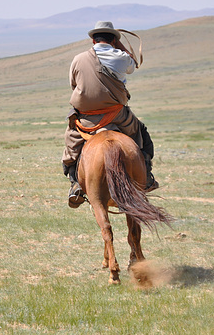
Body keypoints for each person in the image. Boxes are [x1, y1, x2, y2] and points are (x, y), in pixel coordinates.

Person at [61, 21, 158, 208]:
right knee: (141, 132)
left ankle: (75, 183)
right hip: (116, 115)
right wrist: (118, 45)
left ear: (92, 40)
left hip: (86, 119)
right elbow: (133, 64)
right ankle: (146, 176)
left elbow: (74, 84)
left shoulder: (78, 58)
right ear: (113, 40)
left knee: (71, 142)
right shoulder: (121, 57)